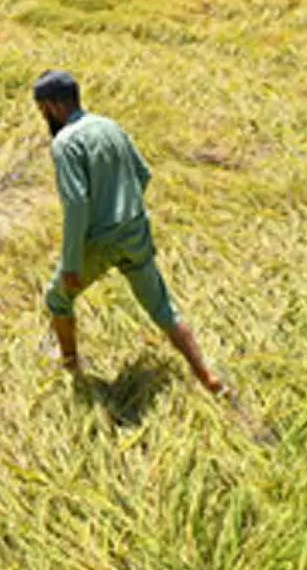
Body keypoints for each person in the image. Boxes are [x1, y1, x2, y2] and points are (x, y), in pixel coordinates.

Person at [33, 70, 228, 398]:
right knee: (163, 308)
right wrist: (125, 211)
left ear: (52, 105)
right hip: (136, 231)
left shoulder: (65, 143)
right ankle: (209, 378)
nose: (42, 116)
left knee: (57, 298)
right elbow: (143, 173)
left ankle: (71, 368)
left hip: (100, 241)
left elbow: (77, 205)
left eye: (41, 109)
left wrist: (71, 264)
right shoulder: (110, 126)